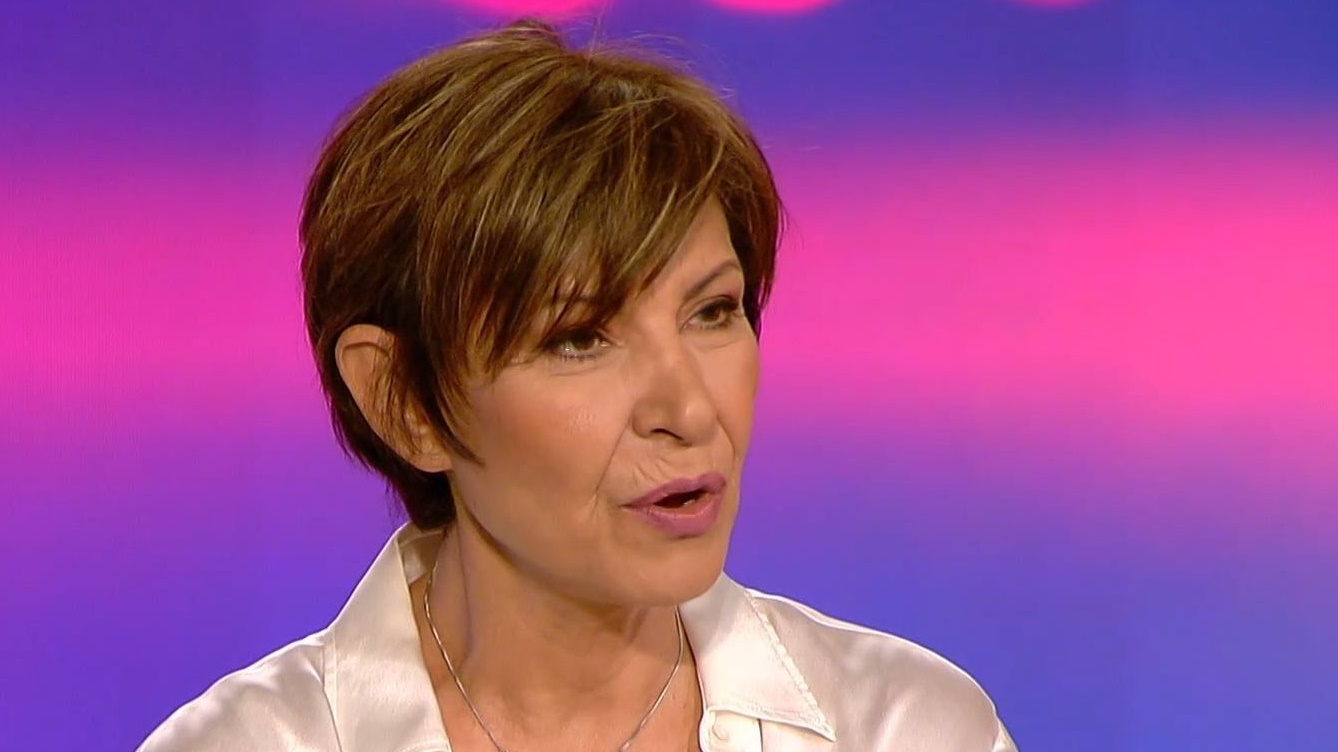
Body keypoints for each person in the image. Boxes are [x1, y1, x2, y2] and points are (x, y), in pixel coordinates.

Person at [139, 18, 1017, 752]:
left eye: (713, 312)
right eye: (580, 338)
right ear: (404, 401)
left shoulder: (901, 728)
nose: (689, 410)